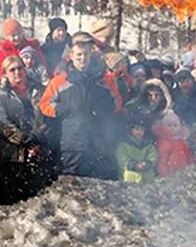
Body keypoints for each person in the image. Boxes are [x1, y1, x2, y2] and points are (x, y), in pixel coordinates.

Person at [38, 35, 123, 179]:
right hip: (72, 141)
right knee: (71, 181)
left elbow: (117, 103)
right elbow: (44, 105)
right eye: (79, 54)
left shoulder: (101, 80)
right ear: (71, 56)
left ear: (91, 55)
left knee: (96, 183)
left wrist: (103, 108)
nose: (83, 58)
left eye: (86, 54)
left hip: (97, 139)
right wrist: (63, 108)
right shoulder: (59, 81)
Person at [0, 55, 52, 203]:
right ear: (5, 74)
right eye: (12, 70)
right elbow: (3, 123)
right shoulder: (2, 95)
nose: (17, 72)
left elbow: (49, 116)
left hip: (40, 145)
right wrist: (26, 141)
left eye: (20, 68)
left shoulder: (40, 90)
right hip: (11, 150)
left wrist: (38, 139)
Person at [152, 109, 195, 177]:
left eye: (175, 125)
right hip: (169, 173)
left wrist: (192, 166)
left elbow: (188, 155)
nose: (172, 128)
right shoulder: (163, 142)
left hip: (183, 172)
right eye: (169, 125)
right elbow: (162, 160)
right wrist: (164, 174)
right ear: (164, 126)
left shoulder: (182, 141)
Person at [115, 117, 159, 183]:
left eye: (142, 130)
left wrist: (147, 163)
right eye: (136, 129)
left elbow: (153, 155)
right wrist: (132, 165)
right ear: (131, 129)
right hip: (129, 179)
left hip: (147, 179)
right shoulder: (124, 144)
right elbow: (121, 157)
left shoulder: (148, 144)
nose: (139, 132)